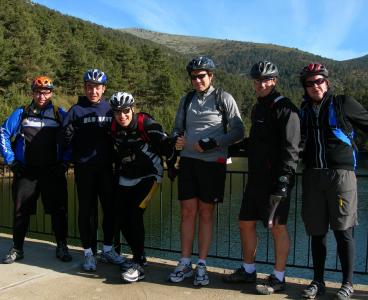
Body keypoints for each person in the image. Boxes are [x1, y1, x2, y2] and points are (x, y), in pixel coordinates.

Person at [222, 61, 300, 295]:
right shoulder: (259, 108)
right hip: (256, 179)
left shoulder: (285, 107)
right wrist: (231, 148)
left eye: (267, 80)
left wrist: (284, 180)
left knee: (277, 227)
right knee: (245, 222)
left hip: (276, 180)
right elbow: (257, 142)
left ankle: (278, 277)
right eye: (257, 80)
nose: (261, 84)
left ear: (275, 81)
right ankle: (248, 270)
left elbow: (291, 148)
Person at [168, 56, 244, 286]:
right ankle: (184, 262)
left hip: (213, 163)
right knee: (187, 213)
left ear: (211, 76)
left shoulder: (224, 98)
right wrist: (176, 140)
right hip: (189, 161)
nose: (198, 80)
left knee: (206, 214)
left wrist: (214, 142)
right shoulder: (187, 99)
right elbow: (176, 129)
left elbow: (239, 130)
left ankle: (201, 264)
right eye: (194, 77)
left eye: (202, 76)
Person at [298, 63, 368, 300]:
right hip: (312, 175)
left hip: (341, 176)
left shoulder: (342, 103)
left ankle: (347, 283)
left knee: (343, 232)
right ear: (305, 88)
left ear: (327, 82)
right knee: (316, 233)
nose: (315, 86)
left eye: (319, 81)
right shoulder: (304, 110)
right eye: (310, 83)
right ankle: (318, 281)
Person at [0, 76, 72, 264]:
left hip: (52, 171)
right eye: (38, 92)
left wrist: (64, 162)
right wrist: (11, 161)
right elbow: (3, 132)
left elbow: (72, 139)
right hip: (26, 171)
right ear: (32, 92)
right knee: (21, 211)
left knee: (59, 211)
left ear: (51, 93)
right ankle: (17, 248)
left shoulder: (59, 114)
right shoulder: (22, 113)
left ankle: (62, 246)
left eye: (46, 92)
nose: (42, 95)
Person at [108, 91, 175, 283]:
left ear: (133, 109)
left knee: (134, 215)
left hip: (149, 175)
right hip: (126, 177)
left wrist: (170, 168)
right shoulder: (113, 127)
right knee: (119, 219)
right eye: (117, 112)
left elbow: (168, 145)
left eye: (125, 111)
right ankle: (140, 256)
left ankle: (138, 262)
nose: (122, 115)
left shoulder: (146, 124)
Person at [61, 69, 124, 271]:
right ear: (85, 88)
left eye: (97, 87)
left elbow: (123, 129)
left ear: (104, 88)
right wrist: (67, 134)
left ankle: (107, 249)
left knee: (111, 210)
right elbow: (63, 138)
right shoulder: (76, 110)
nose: (93, 91)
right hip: (84, 169)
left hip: (107, 168)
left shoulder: (110, 109)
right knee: (86, 212)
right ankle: (88, 253)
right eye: (89, 87)